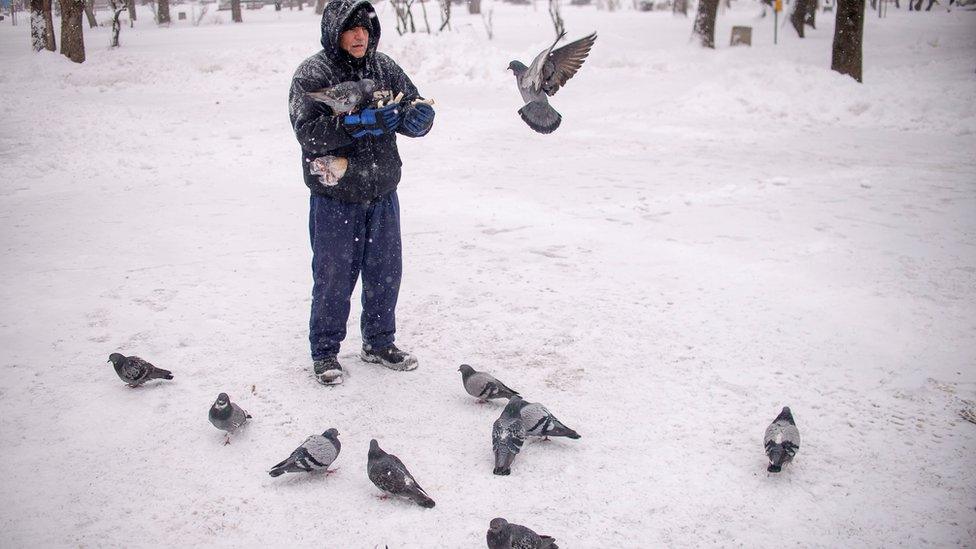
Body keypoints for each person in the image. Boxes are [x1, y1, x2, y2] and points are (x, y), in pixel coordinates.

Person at [288, 0, 435, 385]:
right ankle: (325, 352)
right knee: (334, 275)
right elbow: (308, 133)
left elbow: (412, 105)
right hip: (336, 195)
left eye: (365, 29)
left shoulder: (384, 68)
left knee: (385, 271)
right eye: (351, 29)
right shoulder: (313, 74)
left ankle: (379, 342)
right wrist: (356, 123)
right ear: (334, 32)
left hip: (383, 190)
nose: (359, 36)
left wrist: (419, 120)